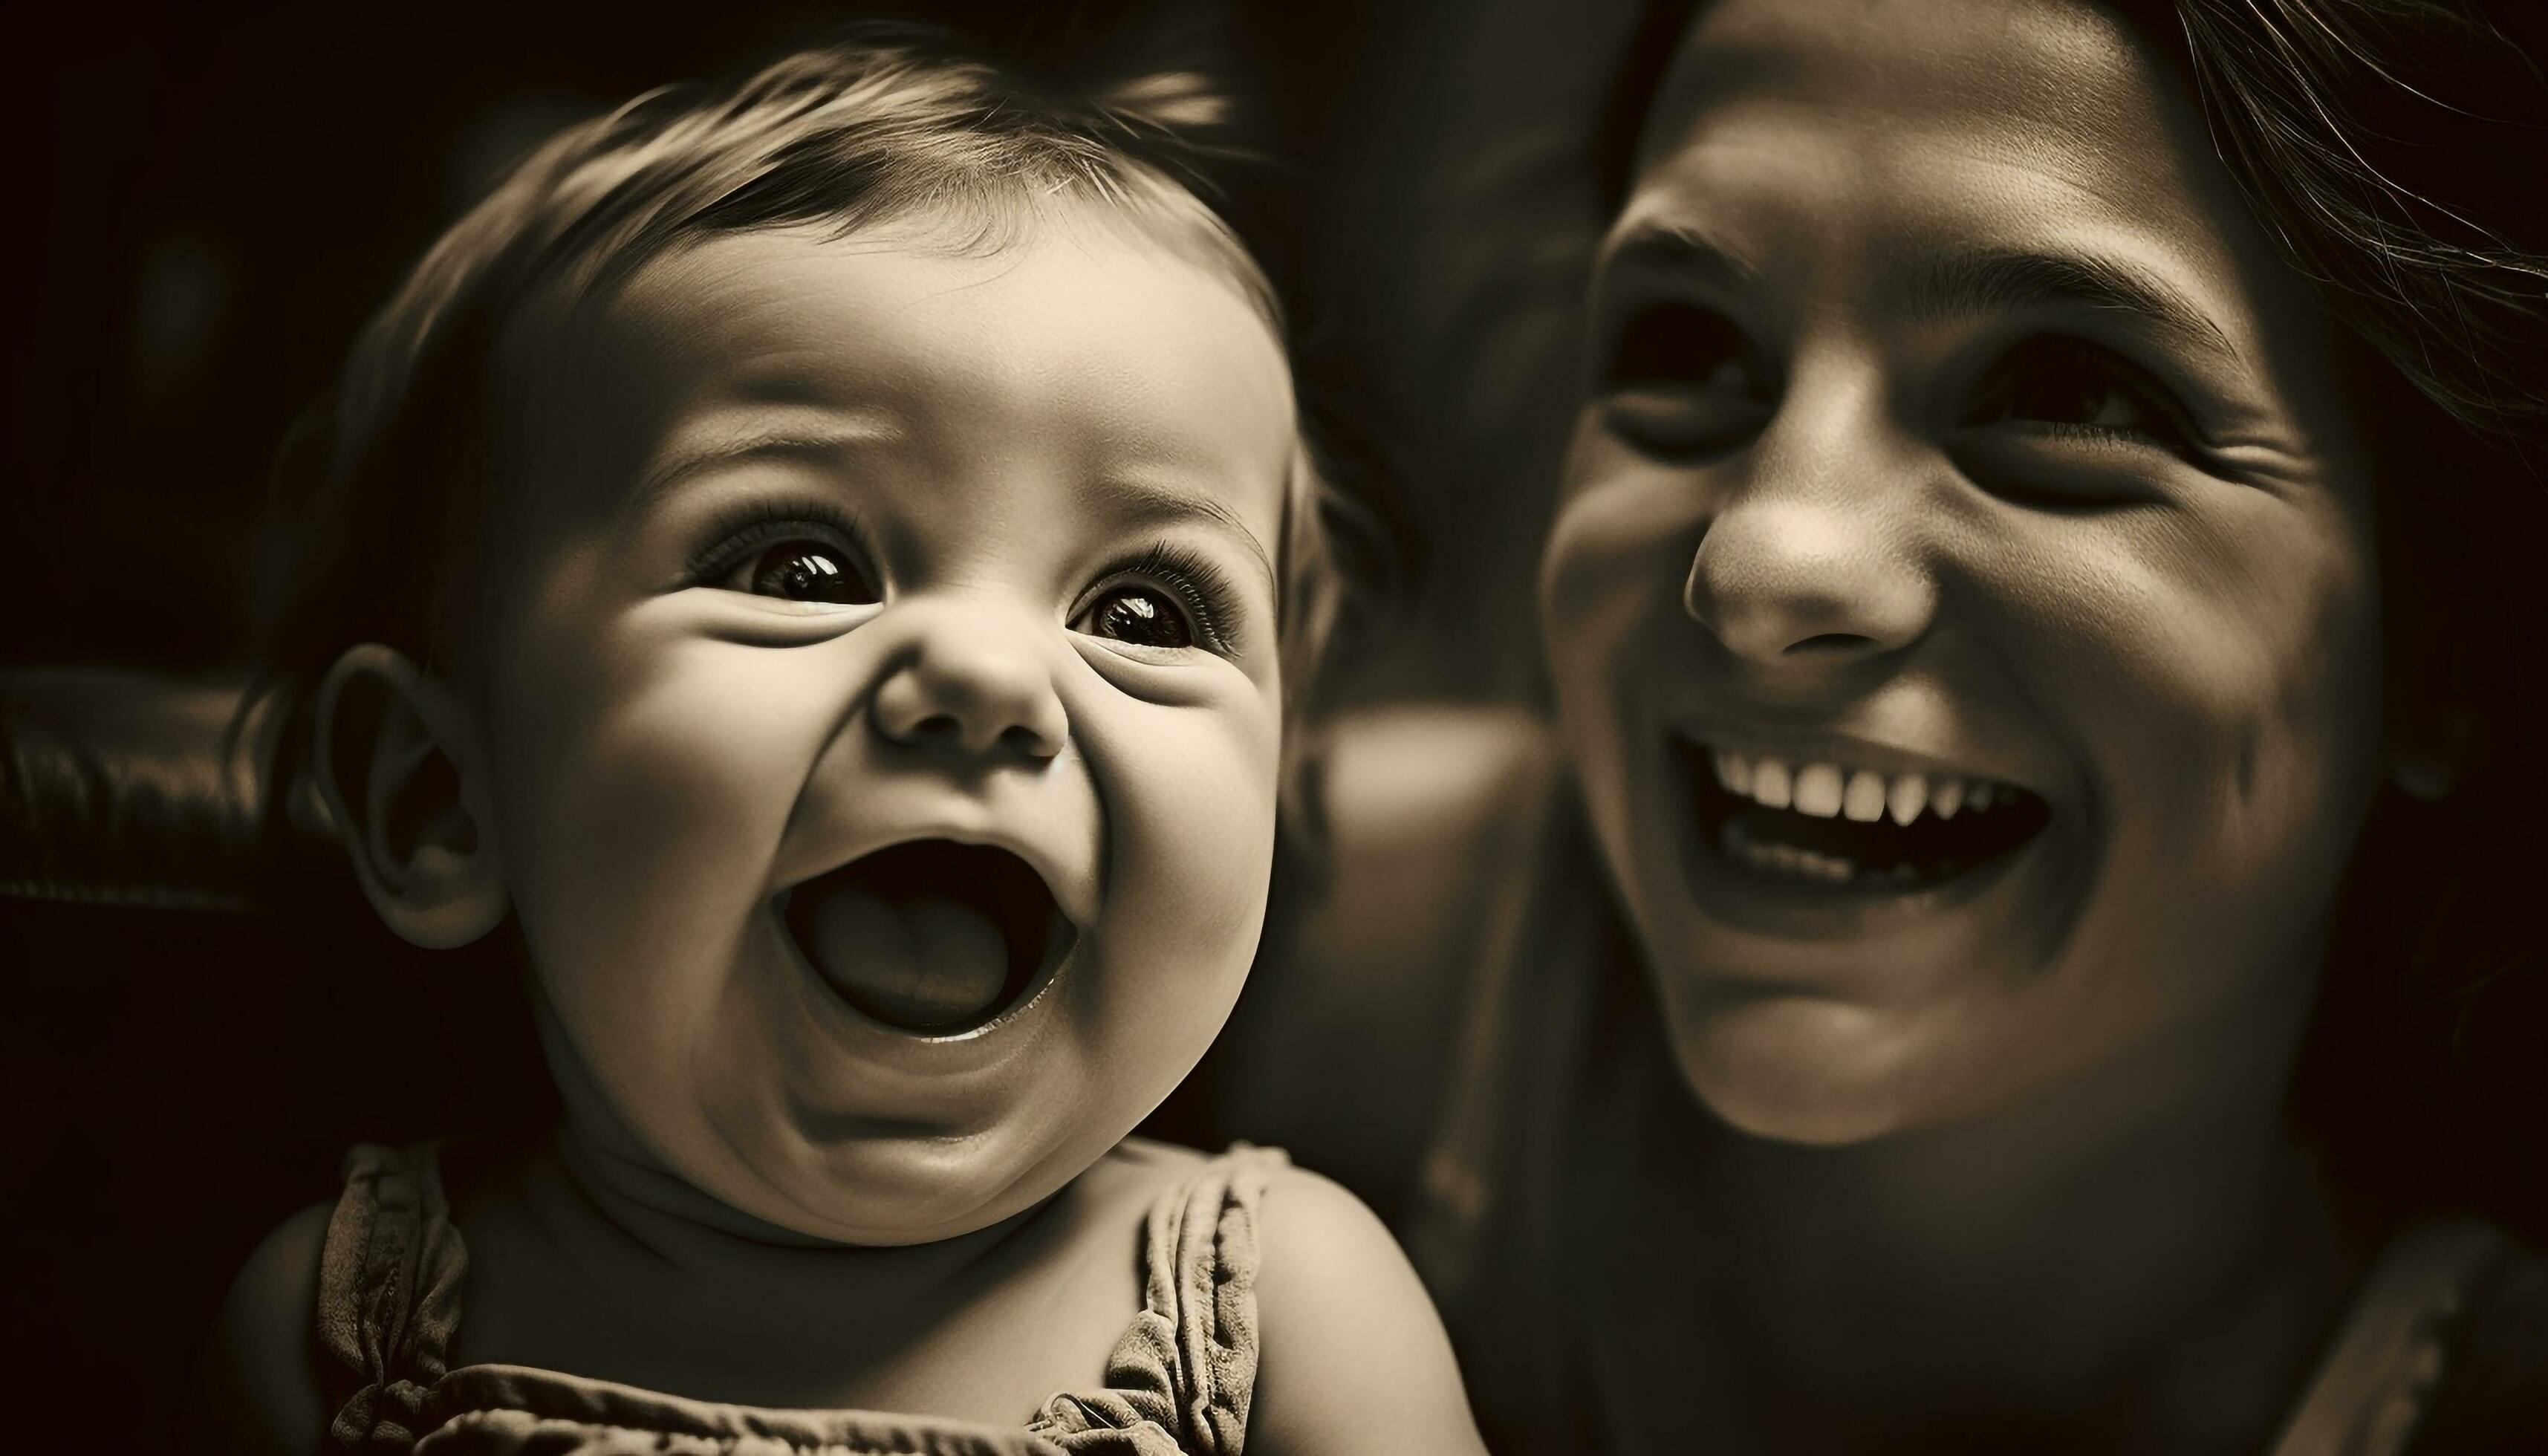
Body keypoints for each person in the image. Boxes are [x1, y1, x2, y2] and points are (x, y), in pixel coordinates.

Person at [1264, 0, 2548, 1449]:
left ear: (2458, 635)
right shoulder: (1218, 965)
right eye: (1687, 346)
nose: (1762, 561)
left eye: (2065, 390)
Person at [185, 28, 1484, 1456]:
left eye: (1144, 607)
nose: (991, 676)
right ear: (438, 797)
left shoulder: (1295, 1310)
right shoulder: (342, 1335)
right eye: (802, 569)